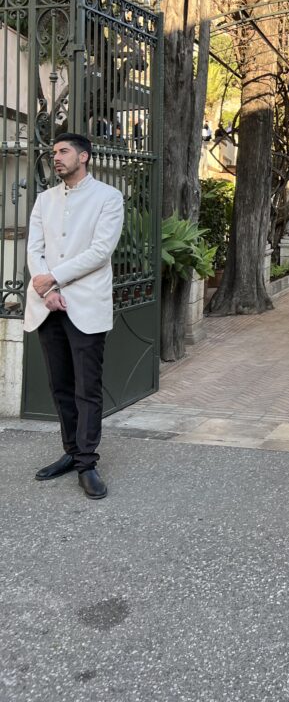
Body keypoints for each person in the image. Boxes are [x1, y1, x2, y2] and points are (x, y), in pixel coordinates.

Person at [23, 133, 125, 500]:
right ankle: (70, 452)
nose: (56, 157)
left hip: (85, 305)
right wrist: (47, 290)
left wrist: (56, 278)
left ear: (84, 156)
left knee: (87, 389)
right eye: (54, 153)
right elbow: (34, 249)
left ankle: (87, 462)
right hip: (47, 305)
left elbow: (100, 251)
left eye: (64, 151)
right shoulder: (44, 200)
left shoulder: (108, 198)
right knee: (61, 386)